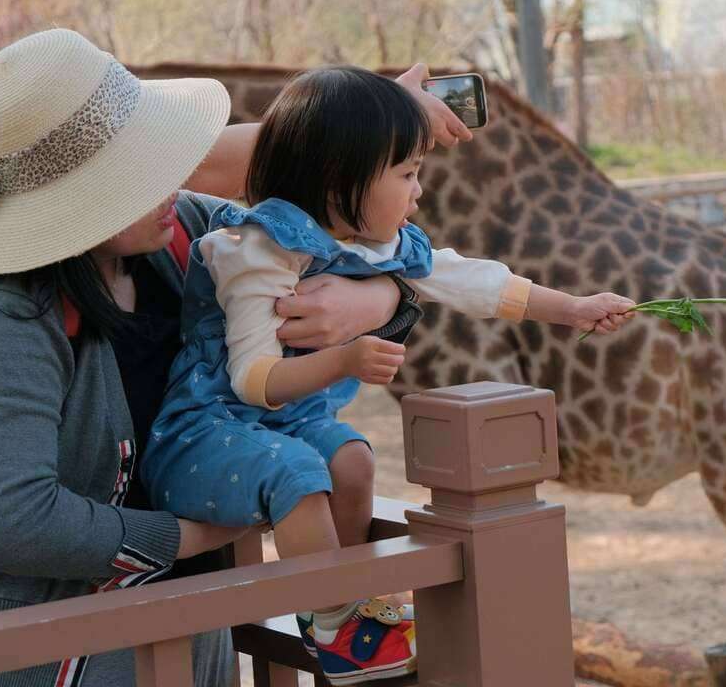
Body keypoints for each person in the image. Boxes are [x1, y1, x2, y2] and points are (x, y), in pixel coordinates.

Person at [0, 29, 463, 686]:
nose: (176, 174)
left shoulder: (182, 232)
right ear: (77, 205)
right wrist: (187, 535)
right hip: (50, 657)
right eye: (144, 167)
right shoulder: (6, 324)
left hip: (183, 641)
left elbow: (343, 236)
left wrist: (378, 296)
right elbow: (7, 521)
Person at [142, 66, 636, 685]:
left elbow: (471, 280)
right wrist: (344, 361)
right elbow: (254, 379)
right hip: (208, 432)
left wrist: (573, 309)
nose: (419, 192)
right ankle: (336, 620)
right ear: (339, 180)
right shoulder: (258, 252)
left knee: (353, 460)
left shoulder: (379, 244)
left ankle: (345, 603)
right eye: (406, 174)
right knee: (300, 473)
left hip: (285, 424)